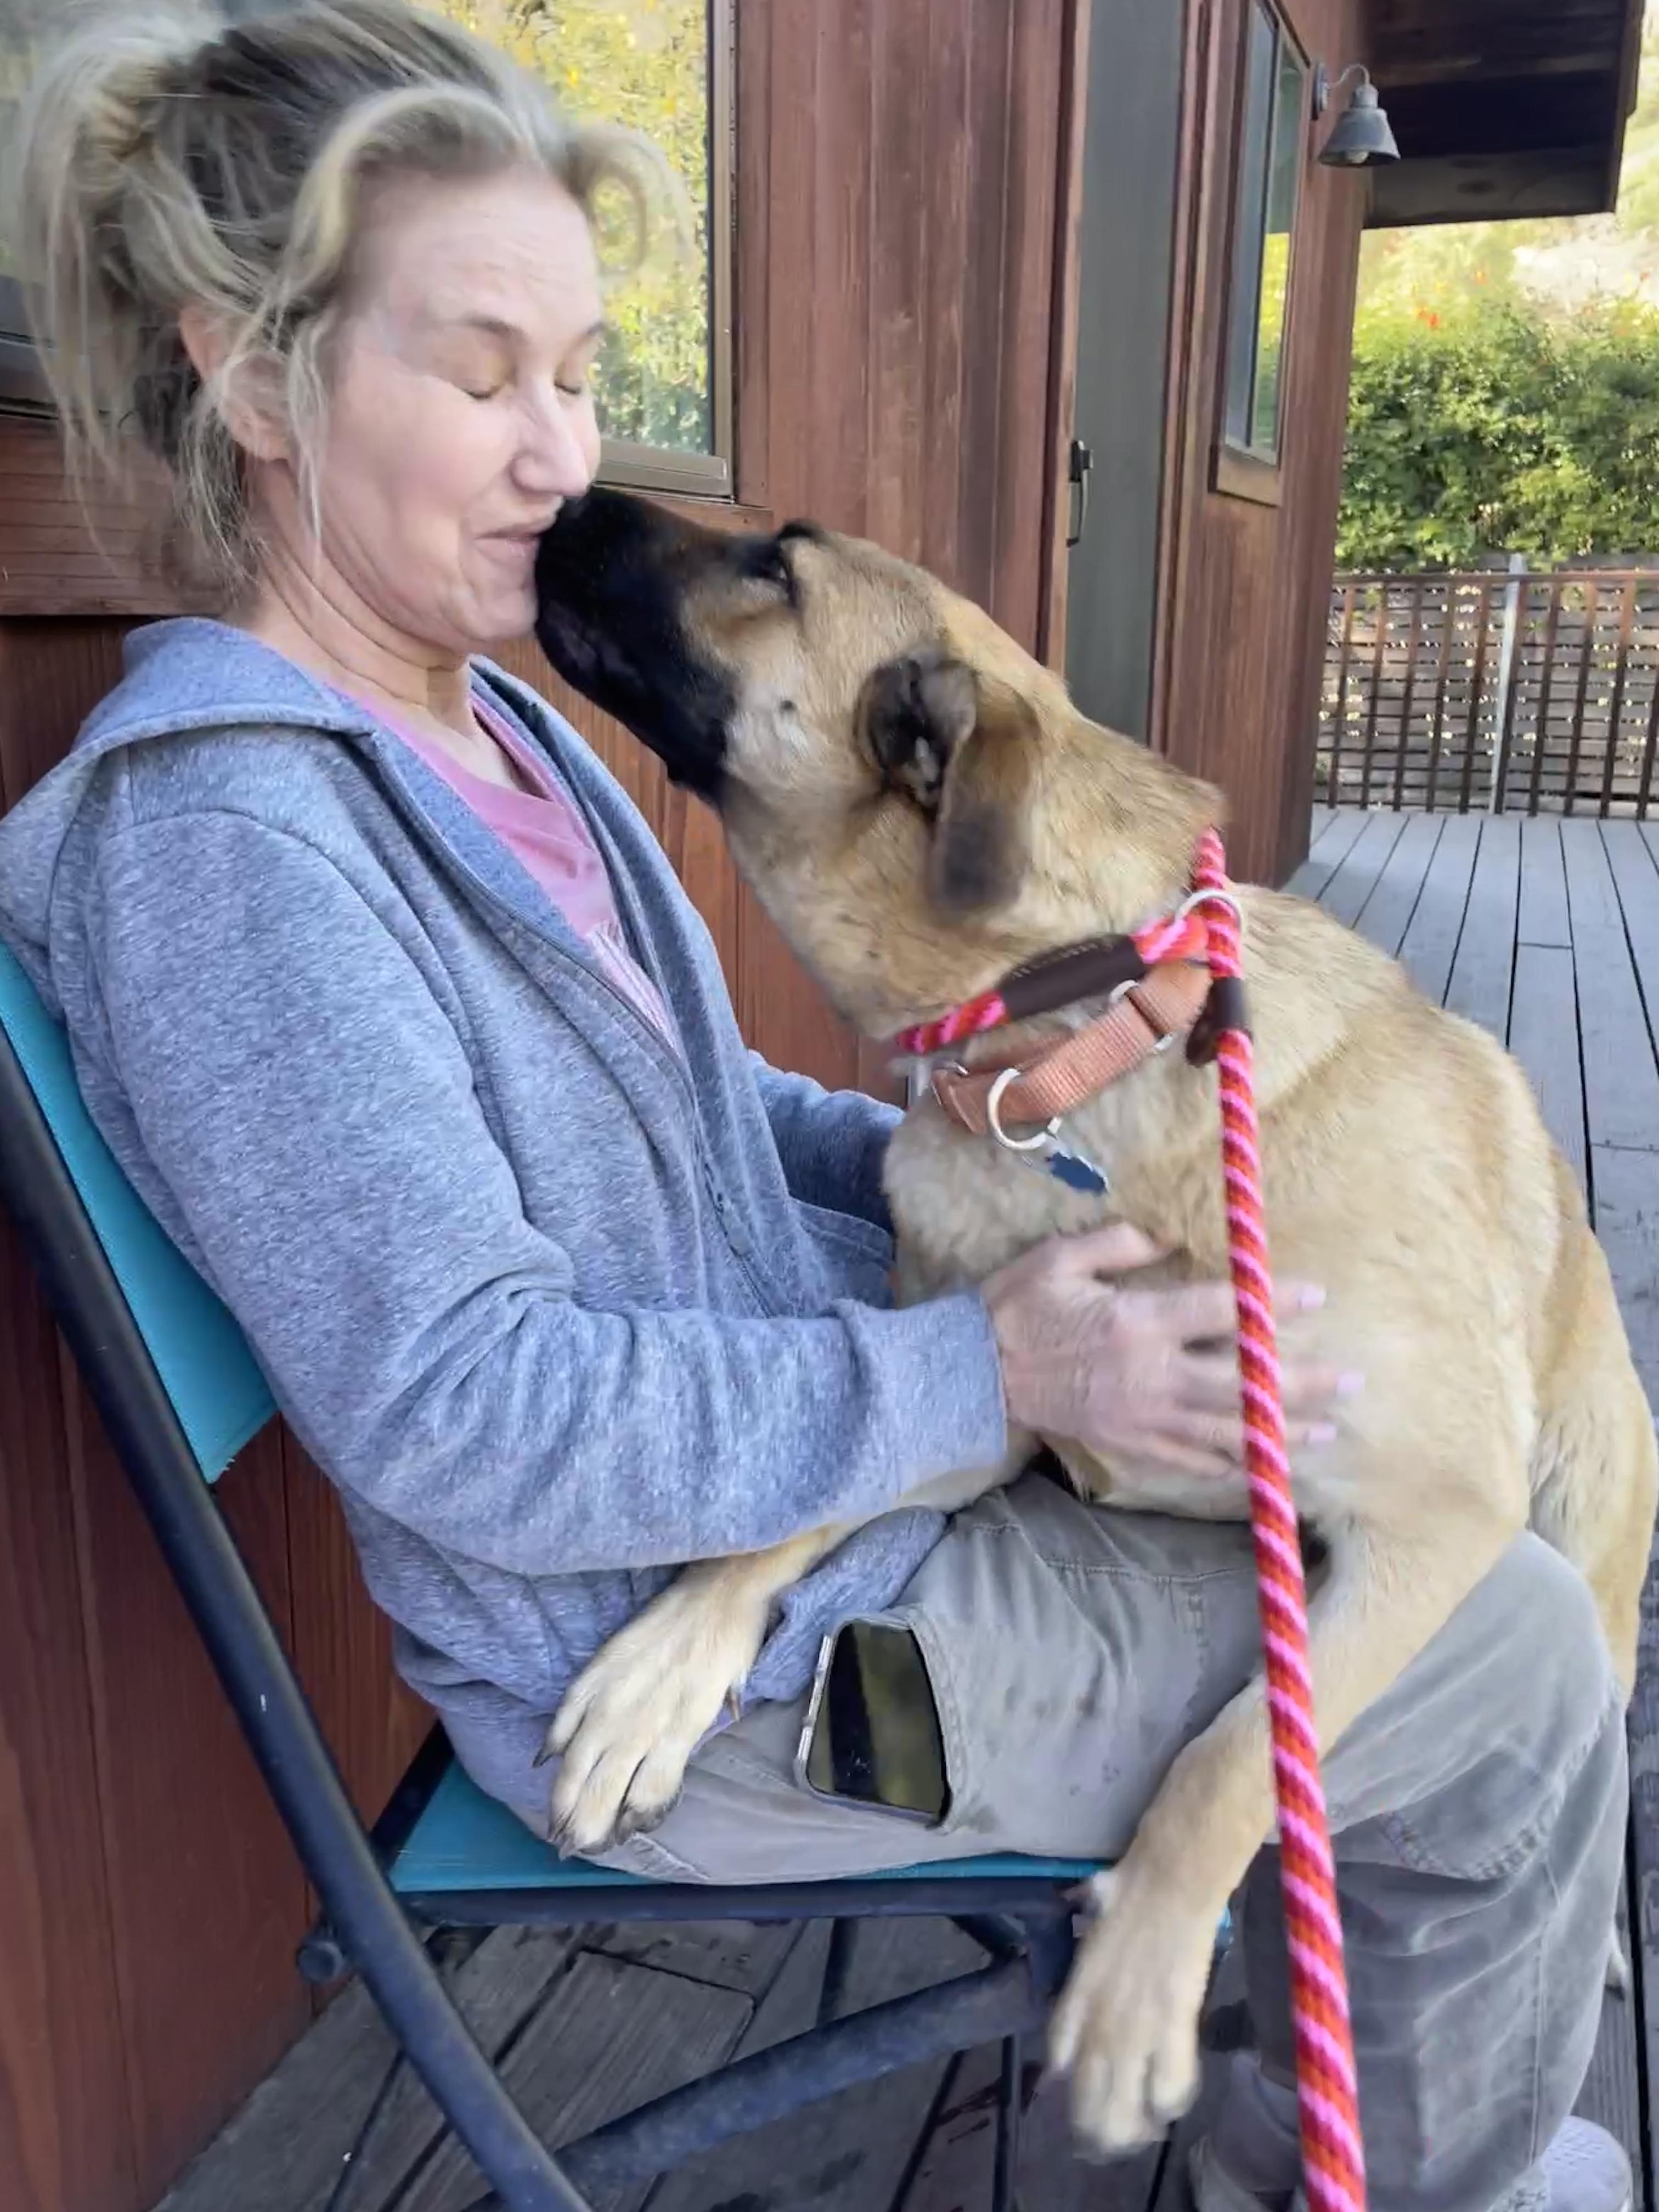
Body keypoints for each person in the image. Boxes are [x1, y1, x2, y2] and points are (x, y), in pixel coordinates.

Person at [0, 7, 1629, 2208]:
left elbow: (698, 1116)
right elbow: (468, 1412)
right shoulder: (234, 856)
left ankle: (1314, 2093)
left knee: (1388, 1520)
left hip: (844, 1497)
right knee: (1518, 1651)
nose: (558, 456)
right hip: (715, 1668)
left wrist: (1024, 1130)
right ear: (250, 374)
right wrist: (993, 1362)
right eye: (482, 379)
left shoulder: (495, 736)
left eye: (579, 377)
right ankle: (1394, 2172)